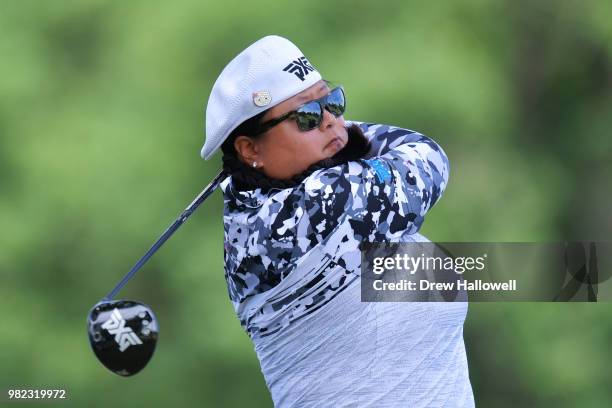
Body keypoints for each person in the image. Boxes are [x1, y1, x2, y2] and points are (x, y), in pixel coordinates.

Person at [200, 35, 474, 407]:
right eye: (307, 117)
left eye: (333, 103)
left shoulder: (252, 216)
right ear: (250, 149)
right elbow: (427, 158)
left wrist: (319, 120)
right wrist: (339, 131)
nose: (332, 123)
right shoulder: (307, 210)